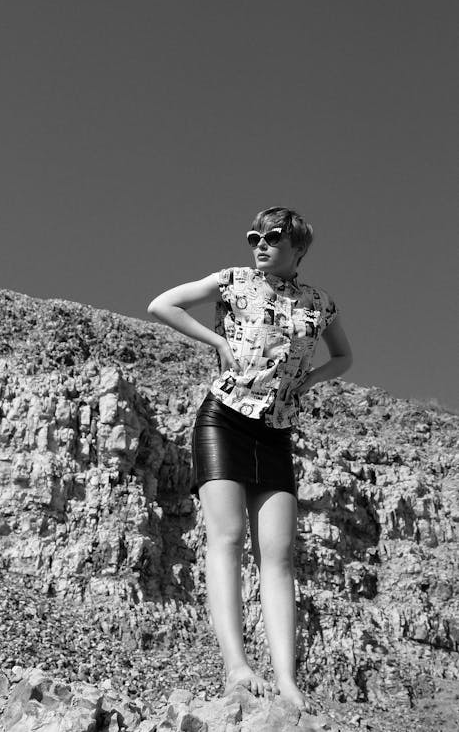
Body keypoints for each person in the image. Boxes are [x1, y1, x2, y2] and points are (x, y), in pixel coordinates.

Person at [147, 206, 353, 711]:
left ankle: (286, 679)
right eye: (255, 236)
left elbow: (344, 356)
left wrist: (311, 379)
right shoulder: (233, 282)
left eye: (274, 238)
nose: (261, 244)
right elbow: (162, 305)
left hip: (276, 432)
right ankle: (236, 665)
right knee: (228, 537)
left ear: (299, 247)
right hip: (224, 420)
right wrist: (217, 340)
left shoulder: (319, 305)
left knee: (278, 557)